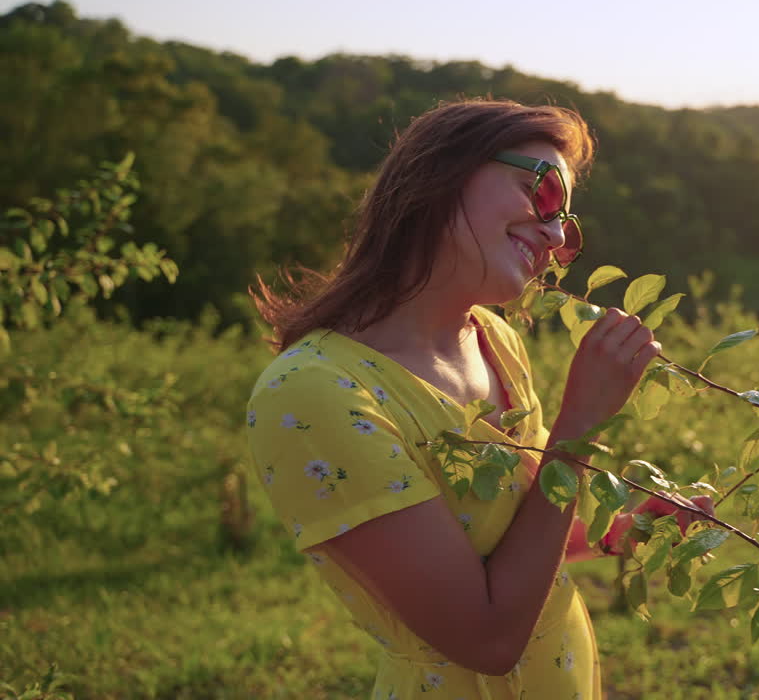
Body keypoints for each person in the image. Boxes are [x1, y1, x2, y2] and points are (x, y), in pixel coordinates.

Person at [244, 100, 702, 700]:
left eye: (568, 223)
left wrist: (621, 530)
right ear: (442, 173)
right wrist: (580, 425)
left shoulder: (495, 340)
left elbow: (512, 529)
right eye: (542, 193)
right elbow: (486, 638)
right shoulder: (314, 394)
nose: (558, 235)